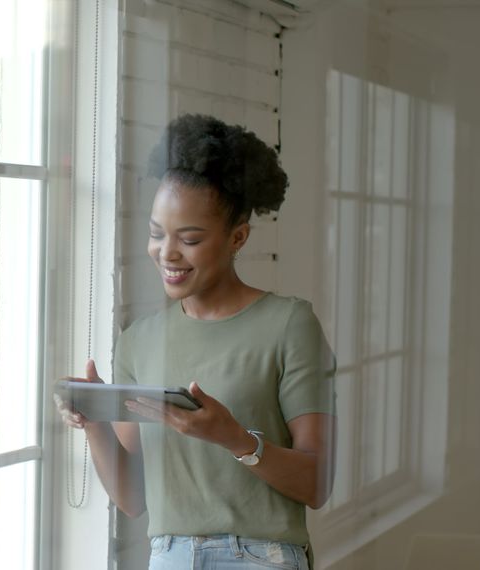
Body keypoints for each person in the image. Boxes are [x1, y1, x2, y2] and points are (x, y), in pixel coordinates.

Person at [55, 114, 336, 569]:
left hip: (260, 558)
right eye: (156, 233)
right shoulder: (139, 341)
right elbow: (133, 498)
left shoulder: (289, 324)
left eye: (189, 238)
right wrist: (92, 422)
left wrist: (235, 439)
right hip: (170, 557)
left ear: (237, 237)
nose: (167, 252)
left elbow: (317, 483)